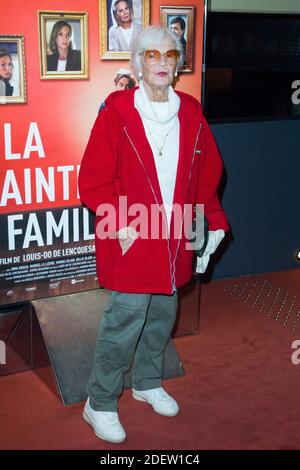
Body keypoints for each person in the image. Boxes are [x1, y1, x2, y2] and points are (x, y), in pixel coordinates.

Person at [79, 25, 229, 444]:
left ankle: (147, 381)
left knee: (163, 316)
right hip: (133, 232)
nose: (161, 63)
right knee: (124, 320)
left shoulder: (192, 111)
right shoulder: (117, 109)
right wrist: (121, 225)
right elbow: (92, 182)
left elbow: (206, 178)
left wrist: (210, 223)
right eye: (151, 55)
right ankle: (100, 402)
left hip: (176, 234)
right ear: (138, 64)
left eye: (169, 55)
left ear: (178, 64)